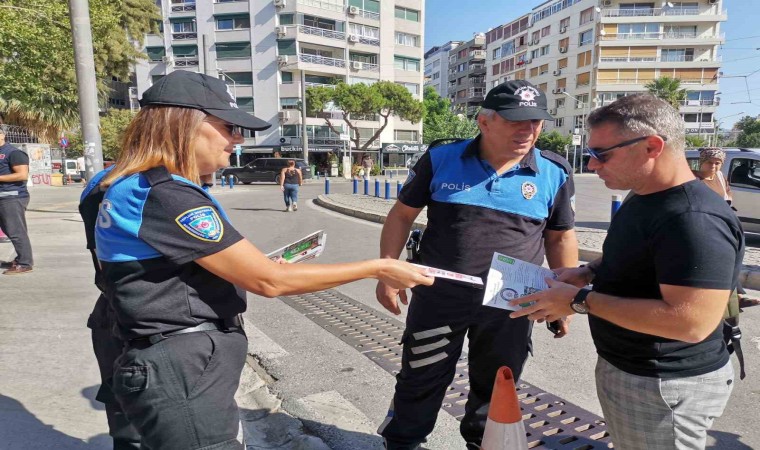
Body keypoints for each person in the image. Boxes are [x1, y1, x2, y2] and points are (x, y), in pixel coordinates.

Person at [93, 70, 434, 450]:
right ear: (184, 124)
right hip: (179, 368)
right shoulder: (166, 194)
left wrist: (255, 270)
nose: (237, 139)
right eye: (229, 127)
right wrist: (379, 267)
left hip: (173, 361)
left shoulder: (134, 183)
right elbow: (269, 282)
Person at [510, 94, 742, 450]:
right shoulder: (645, 194)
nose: (591, 164)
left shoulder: (694, 219)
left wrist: (578, 301)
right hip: (635, 372)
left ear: (651, 146)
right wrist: (586, 272)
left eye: (602, 154)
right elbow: (640, 253)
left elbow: (690, 322)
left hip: (663, 385)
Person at [375, 80, 578, 450]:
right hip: (439, 298)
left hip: (512, 305)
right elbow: (401, 215)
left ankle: (484, 445)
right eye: (516, 120)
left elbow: (560, 237)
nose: (527, 130)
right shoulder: (441, 158)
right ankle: (403, 443)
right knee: (420, 377)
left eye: (535, 122)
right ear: (485, 122)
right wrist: (387, 270)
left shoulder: (554, 172)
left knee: (498, 385)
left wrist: (565, 298)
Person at [79, 166, 142, 449]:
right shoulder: (151, 185)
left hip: (112, 310)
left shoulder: (102, 182)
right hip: (147, 323)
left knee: (125, 418)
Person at [694, 147, 758, 309]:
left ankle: (736, 297)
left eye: (717, 163)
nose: (713, 167)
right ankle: (733, 300)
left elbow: (728, 196)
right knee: (723, 263)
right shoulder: (693, 179)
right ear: (701, 162)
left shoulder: (721, 178)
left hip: (722, 226)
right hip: (703, 228)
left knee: (733, 259)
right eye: (709, 163)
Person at [0, 128, 33, 275]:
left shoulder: (14, 153)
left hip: (12, 197)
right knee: (8, 230)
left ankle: (25, 263)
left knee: (15, 231)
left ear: (2, 135)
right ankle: (20, 258)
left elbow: (22, 175)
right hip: (3, 197)